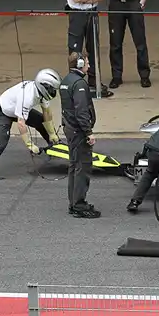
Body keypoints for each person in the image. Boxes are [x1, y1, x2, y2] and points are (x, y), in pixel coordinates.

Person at [0, 69, 62, 182]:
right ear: (45, 87)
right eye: (53, 89)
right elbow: (21, 123)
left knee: (41, 121)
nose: (54, 92)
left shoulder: (40, 92)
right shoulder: (27, 97)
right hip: (3, 112)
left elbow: (47, 113)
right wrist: (30, 145)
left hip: (16, 109)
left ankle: (53, 144)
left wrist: (52, 134)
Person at [59, 52, 101, 218]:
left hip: (70, 129)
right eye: (87, 63)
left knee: (74, 166)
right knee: (82, 167)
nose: (88, 66)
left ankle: (74, 202)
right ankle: (79, 204)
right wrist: (88, 132)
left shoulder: (66, 81)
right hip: (78, 131)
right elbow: (81, 111)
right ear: (80, 64)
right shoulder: (79, 84)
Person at [64, 0, 109, 97]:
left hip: (92, 12)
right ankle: (74, 81)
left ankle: (94, 80)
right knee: (75, 48)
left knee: (93, 46)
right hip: (77, 14)